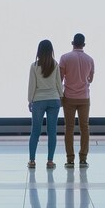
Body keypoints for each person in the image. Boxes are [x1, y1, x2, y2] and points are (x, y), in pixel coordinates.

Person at [59, 33, 94, 168]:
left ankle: (70, 159)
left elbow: (60, 78)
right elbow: (91, 79)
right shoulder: (90, 59)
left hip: (69, 97)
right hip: (84, 97)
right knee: (85, 127)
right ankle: (83, 158)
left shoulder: (65, 58)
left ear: (72, 43)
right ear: (84, 45)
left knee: (69, 128)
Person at [27, 40, 63, 169]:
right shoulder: (55, 65)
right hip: (54, 100)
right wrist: (61, 97)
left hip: (39, 100)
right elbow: (59, 83)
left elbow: (32, 85)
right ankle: (50, 161)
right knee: (52, 131)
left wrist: (30, 100)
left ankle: (32, 160)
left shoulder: (34, 66)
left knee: (35, 131)